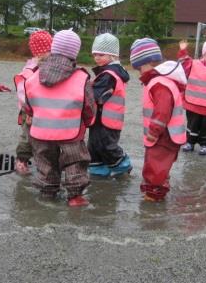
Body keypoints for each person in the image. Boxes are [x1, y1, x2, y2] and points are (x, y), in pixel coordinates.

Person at [24, 29, 96, 207]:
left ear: (53, 48)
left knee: (45, 163)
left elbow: (28, 103)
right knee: (75, 163)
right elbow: (89, 105)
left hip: (40, 132)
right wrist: (88, 121)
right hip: (70, 131)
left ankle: (47, 192)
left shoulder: (34, 75)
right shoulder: (81, 77)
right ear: (75, 52)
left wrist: (32, 115)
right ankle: (74, 196)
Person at [130, 38, 187, 202]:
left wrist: (154, 132)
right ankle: (157, 188)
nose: (139, 72)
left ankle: (154, 193)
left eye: (139, 68)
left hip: (164, 134)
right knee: (159, 163)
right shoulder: (162, 81)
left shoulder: (159, 83)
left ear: (148, 63)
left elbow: (162, 111)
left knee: (156, 164)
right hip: (166, 134)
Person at [88, 33, 132, 177]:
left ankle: (123, 165)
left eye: (101, 54)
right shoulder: (109, 72)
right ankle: (98, 171)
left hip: (107, 121)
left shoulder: (109, 74)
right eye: (95, 54)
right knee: (94, 146)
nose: (97, 58)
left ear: (112, 56)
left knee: (107, 146)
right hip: (101, 119)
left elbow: (95, 94)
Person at [13, 30, 52, 175]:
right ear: (41, 52)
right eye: (49, 51)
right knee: (27, 138)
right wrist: (29, 111)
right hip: (29, 111)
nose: (52, 54)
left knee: (43, 137)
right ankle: (21, 161)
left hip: (42, 110)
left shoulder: (47, 68)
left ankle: (42, 160)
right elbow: (22, 93)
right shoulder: (29, 70)